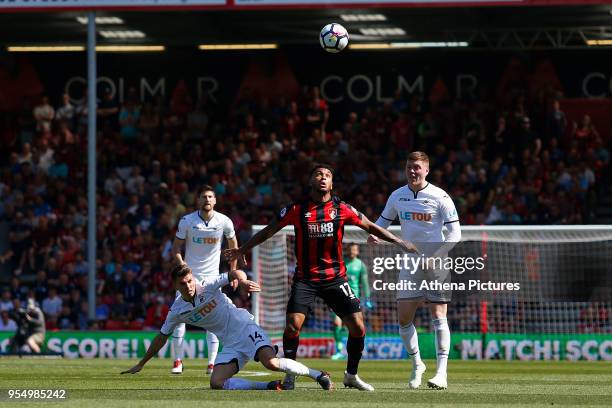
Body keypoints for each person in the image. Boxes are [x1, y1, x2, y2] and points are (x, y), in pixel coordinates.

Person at [225, 163, 417, 391]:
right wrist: (243, 248)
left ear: (332, 183)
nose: (323, 178)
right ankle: (290, 375)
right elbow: (269, 230)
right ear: (311, 181)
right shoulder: (297, 209)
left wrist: (399, 241)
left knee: (357, 327)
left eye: (327, 175)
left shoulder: (342, 208)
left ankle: (351, 375)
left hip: (335, 278)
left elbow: (370, 226)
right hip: (305, 279)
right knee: (292, 326)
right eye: (318, 174)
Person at [122, 258, 333, 392]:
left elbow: (235, 274)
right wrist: (142, 363)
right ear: (175, 286)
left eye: (189, 281)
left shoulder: (207, 286)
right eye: (183, 284)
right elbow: (161, 337)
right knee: (216, 383)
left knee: (271, 363)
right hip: (230, 345)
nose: (188, 286)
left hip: (245, 327)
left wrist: (241, 281)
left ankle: (318, 375)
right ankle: (269, 386)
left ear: (193, 278)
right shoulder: (177, 310)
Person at [369, 151, 461, 390]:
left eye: (417, 167)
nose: (412, 171)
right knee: (403, 319)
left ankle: (441, 373)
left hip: (437, 262)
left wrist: (438, 255)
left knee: (439, 315)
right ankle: (417, 364)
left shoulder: (440, 196)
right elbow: (382, 224)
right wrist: (375, 234)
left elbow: (455, 234)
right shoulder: (397, 196)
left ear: (426, 170)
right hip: (410, 262)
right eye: (409, 167)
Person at [170, 185, 238, 375]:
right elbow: (175, 249)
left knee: (213, 318)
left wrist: (233, 272)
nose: (207, 199)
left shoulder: (224, 221)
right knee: (179, 317)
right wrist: (184, 270)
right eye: (203, 196)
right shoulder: (187, 221)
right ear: (198, 200)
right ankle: (177, 362)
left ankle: (212, 363)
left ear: (215, 200)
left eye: (210, 196)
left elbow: (234, 247)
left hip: (212, 278)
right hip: (190, 278)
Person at [330, 243, 371, 360]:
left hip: (353, 298)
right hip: (338, 296)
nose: (352, 251)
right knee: (336, 323)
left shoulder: (361, 265)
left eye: (354, 249)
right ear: (347, 250)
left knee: (353, 325)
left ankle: (355, 350)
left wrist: (367, 298)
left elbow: (365, 283)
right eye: (350, 249)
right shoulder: (341, 263)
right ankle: (338, 350)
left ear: (358, 252)